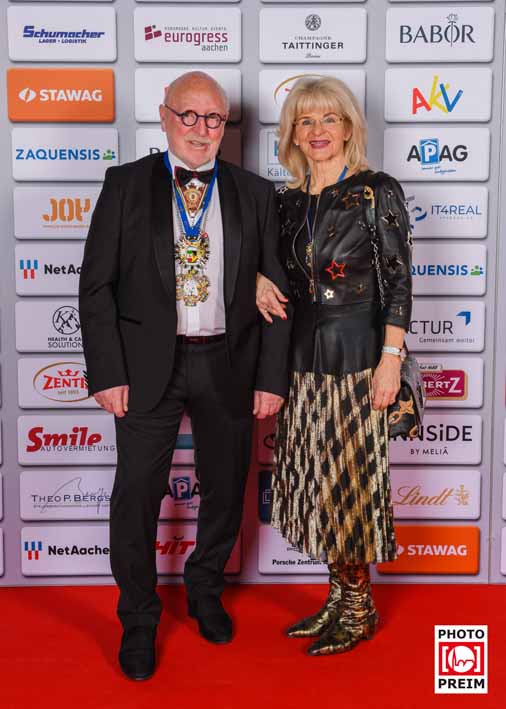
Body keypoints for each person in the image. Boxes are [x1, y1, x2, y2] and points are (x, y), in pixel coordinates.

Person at [79, 71, 292, 680]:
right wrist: (106, 371)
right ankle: (138, 617)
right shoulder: (125, 185)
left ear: (225, 125)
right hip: (147, 365)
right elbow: (96, 287)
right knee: (136, 494)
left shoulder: (256, 193)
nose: (201, 129)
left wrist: (270, 377)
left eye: (214, 118)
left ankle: (204, 589)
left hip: (228, 359)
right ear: (165, 115)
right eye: (189, 115)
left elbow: (278, 293)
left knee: (225, 486)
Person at [256, 77, 412, 656]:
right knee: (319, 482)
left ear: (348, 127)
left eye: (329, 119)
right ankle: (340, 598)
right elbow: (266, 263)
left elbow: (398, 281)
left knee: (350, 486)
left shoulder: (375, 191)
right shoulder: (285, 201)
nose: (317, 131)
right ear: (292, 135)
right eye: (306, 121)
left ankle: (359, 608)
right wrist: (257, 278)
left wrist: (390, 360)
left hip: (358, 362)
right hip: (300, 364)